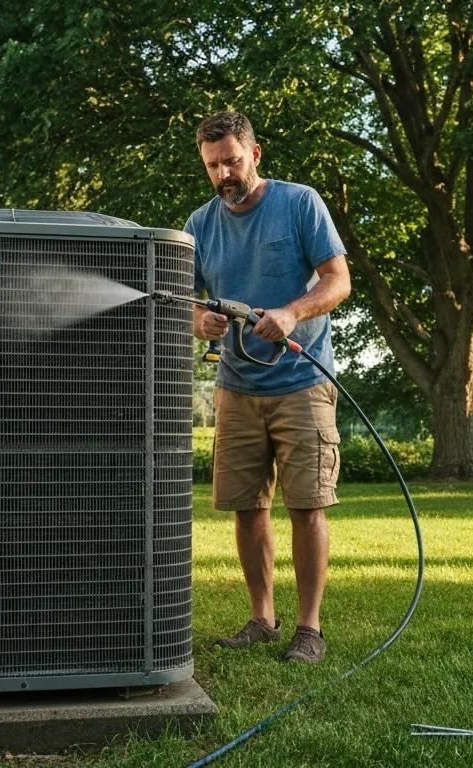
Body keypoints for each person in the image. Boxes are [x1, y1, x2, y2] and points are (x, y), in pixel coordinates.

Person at [184, 111, 351, 664]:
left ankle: (310, 628)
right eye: (214, 165)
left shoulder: (300, 203)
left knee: (306, 506)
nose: (224, 173)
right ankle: (262, 618)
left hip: (302, 380)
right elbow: (189, 300)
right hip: (236, 385)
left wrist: (290, 311)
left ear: (254, 155)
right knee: (247, 508)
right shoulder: (201, 223)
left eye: (232, 160)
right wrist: (199, 320)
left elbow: (337, 280)